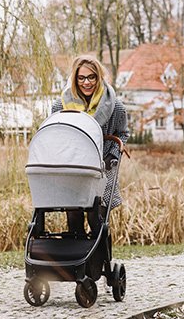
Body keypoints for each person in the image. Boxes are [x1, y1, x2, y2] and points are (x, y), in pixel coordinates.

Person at [51, 54, 129, 238]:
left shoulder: (115, 106)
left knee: (97, 218)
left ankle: (101, 261)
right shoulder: (60, 105)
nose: (87, 82)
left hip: (103, 165)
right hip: (73, 166)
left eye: (91, 77)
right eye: (81, 78)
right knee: (74, 212)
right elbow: (56, 134)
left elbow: (122, 134)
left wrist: (112, 156)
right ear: (75, 79)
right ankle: (76, 261)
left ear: (99, 77)